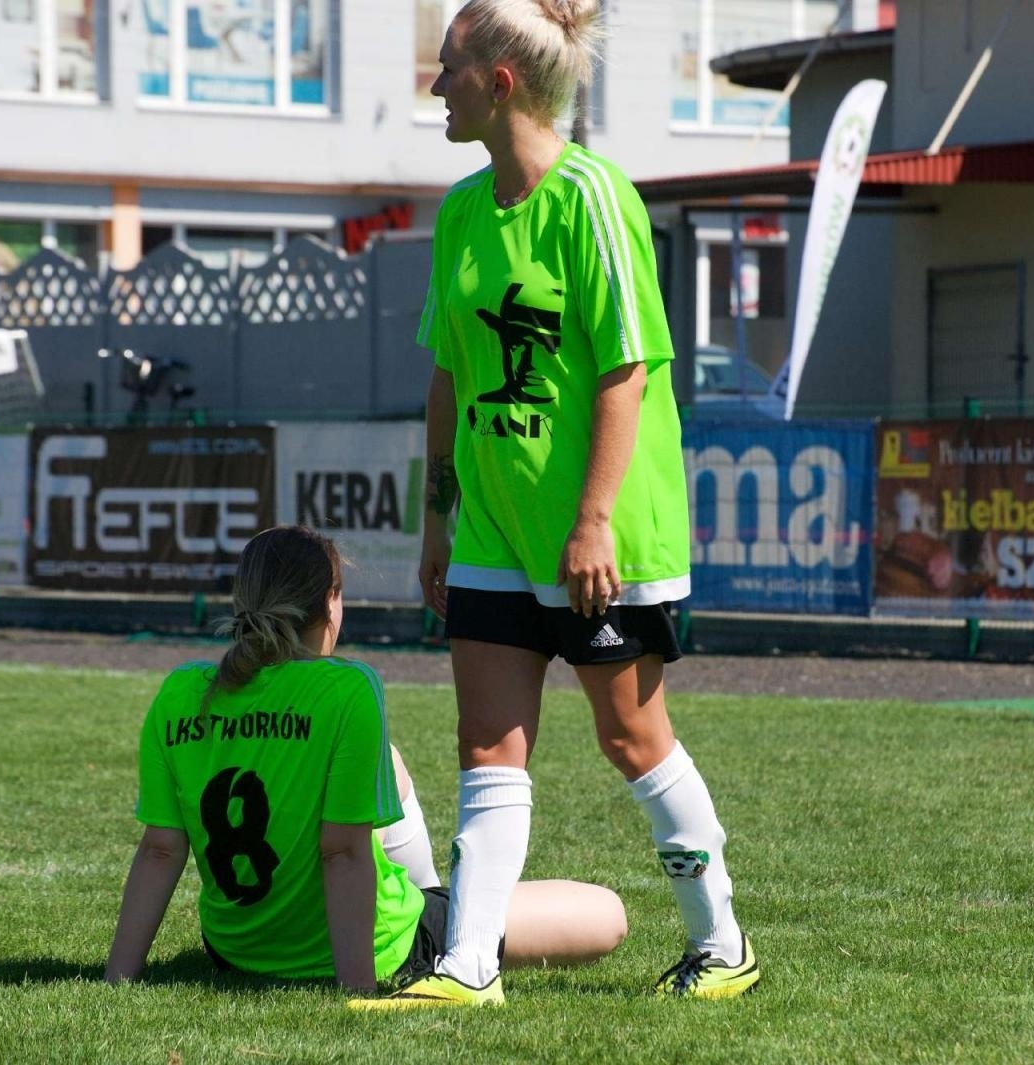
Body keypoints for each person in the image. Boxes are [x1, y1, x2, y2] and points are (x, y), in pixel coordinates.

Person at [356, 0, 755, 1009]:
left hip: (602, 534)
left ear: (498, 82)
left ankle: (723, 947)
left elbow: (628, 370)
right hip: (492, 527)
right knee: (487, 747)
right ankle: (467, 967)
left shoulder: (594, 198)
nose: (432, 85)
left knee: (631, 741)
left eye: (445, 67)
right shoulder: (456, 213)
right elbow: (446, 376)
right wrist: (437, 518)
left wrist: (593, 521)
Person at [104, 524, 627, 990]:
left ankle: (427, 895)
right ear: (330, 603)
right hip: (369, 945)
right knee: (607, 914)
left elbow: (160, 851)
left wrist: (118, 978)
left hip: (236, 951)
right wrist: (358, 987)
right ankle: (431, 908)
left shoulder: (179, 690)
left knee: (387, 761)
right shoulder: (346, 688)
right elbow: (342, 853)